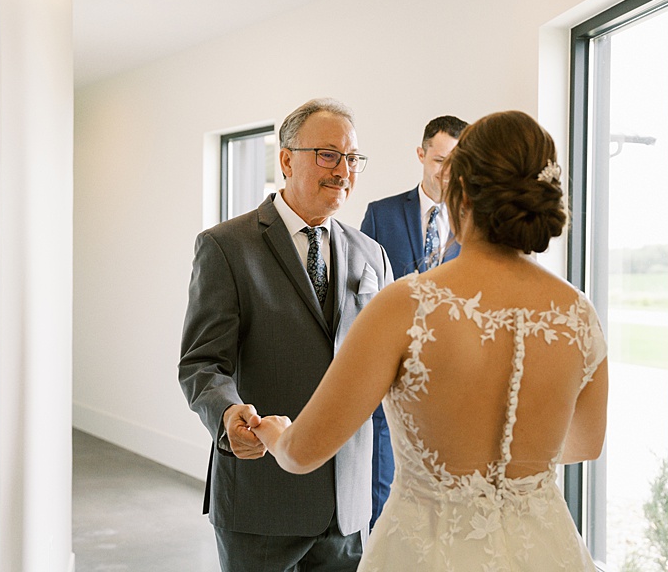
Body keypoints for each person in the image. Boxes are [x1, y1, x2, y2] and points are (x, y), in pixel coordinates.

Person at [252, 110, 609, 571]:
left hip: (429, 551)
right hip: (544, 549)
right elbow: (586, 443)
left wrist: (276, 433)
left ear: (458, 193)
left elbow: (302, 454)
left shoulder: (407, 304)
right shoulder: (578, 312)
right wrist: (509, 463)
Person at [179, 97, 393, 572]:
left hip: (346, 503)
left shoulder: (372, 254)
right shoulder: (225, 247)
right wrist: (229, 415)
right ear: (285, 159)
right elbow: (201, 363)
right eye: (328, 154)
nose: (343, 170)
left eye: (352, 158)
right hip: (262, 499)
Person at [360, 114, 467, 528]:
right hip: (390, 378)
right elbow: (363, 298)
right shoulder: (380, 215)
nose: (447, 173)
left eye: (457, 163)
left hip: (454, 381)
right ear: (421, 155)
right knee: (383, 491)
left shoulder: (478, 223)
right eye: (439, 161)